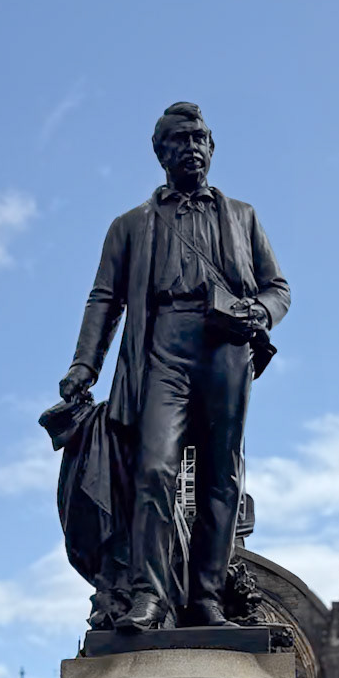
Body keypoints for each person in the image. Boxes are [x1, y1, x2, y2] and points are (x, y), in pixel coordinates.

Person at [59, 102, 290, 631]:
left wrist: (261, 312)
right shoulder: (131, 225)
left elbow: (278, 288)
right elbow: (104, 299)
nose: (192, 148)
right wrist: (83, 366)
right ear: (161, 153)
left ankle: (207, 598)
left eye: (199, 139)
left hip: (224, 349)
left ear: (212, 148)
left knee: (220, 475)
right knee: (154, 468)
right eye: (180, 140)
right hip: (161, 345)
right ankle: (151, 595)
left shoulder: (243, 216)